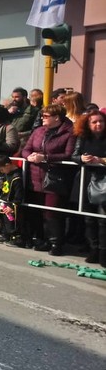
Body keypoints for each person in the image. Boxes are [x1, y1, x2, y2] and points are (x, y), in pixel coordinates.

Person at [21, 104, 76, 255]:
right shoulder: (38, 131)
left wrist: (45, 157)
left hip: (55, 178)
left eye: (45, 116)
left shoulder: (70, 132)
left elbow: (68, 154)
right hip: (35, 176)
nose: (42, 118)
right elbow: (26, 149)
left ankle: (56, 243)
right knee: (36, 210)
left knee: (52, 212)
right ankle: (41, 239)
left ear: (57, 117)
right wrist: (29, 156)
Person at [72, 110, 106, 266]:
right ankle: (93, 250)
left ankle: (103, 253)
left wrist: (101, 160)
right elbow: (74, 155)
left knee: (103, 220)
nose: (98, 124)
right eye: (94, 122)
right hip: (85, 180)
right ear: (87, 124)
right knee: (89, 218)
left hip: (103, 181)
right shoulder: (82, 137)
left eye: (101, 121)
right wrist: (81, 158)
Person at [0, 155, 25, 246]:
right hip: (4, 200)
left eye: (2, 169)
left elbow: (19, 194)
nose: (1, 172)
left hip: (12, 203)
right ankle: (5, 235)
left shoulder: (16, 177)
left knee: (12, 222)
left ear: (7, 165)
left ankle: (16, 239)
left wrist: (12, 205)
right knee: (3, 220)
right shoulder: (6, 173)